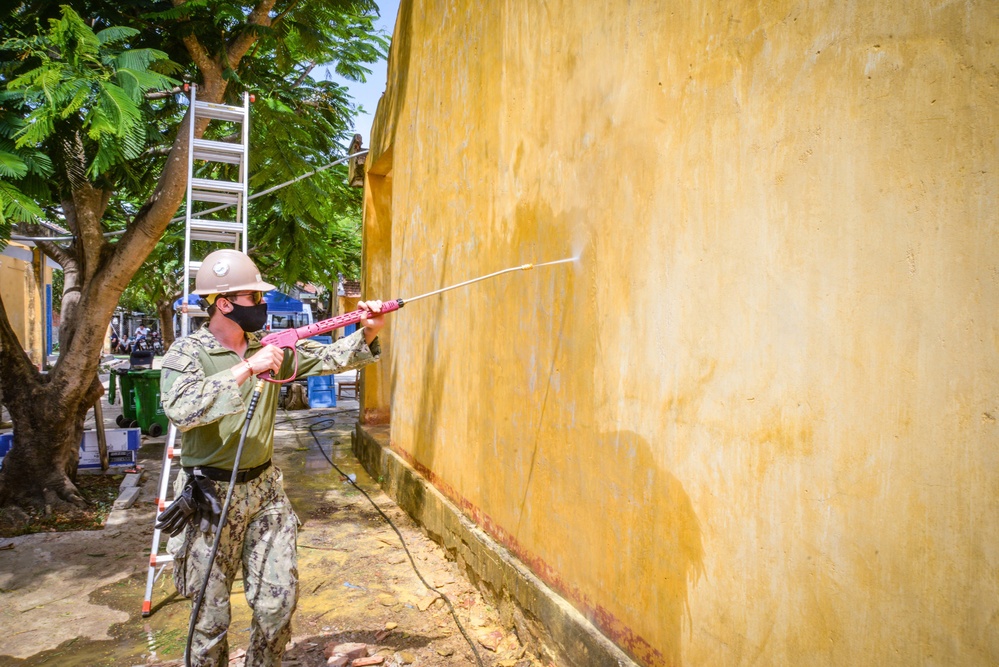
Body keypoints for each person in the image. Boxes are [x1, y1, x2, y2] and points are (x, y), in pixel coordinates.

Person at [158, 249, 386, 667]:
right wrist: (247, 368)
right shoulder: (188, 354)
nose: (262, 306)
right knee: (209, 620)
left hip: (264, 492)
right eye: (253, 298)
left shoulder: (272, 347)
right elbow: (181, 409)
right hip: (209, 497)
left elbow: (330, 357)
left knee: (277, 606)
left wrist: (367, 331)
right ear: (223, 303)